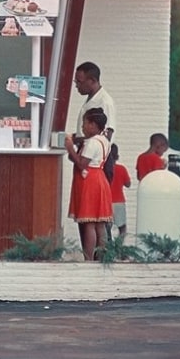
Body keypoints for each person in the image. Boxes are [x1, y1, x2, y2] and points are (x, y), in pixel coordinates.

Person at [65, 107, 113, 261]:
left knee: (90, 223)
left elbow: (82, 164)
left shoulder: (92, 143)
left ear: (93, 125)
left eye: (84, 123)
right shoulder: (104, 141)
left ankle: (88, 258)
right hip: (100, 178)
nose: (82, 127)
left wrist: (69, 148)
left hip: (90, 181)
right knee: (99, 223)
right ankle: (103, 256)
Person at [72, 61, 116, 182]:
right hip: (85, 155)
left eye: (79, 82)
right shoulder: (91, 99)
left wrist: (75, 141)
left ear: (92, 80)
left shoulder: (104, 102)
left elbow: (106, 135)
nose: (76, 86)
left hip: (96, 162)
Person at [109, 143, 131, 240]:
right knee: (122, 227)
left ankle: (107, 247)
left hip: (106, 201)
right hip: (119, 201)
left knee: (106, 227)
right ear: (117, 156)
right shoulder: (121, 169)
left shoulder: (103, 170)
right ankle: (119, 247)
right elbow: (128, 184)